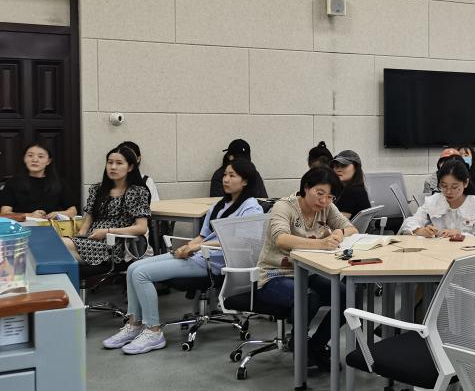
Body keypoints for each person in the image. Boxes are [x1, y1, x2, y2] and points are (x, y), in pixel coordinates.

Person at [100, 160, 265, 355]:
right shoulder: (220, 205)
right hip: (199, 256)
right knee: (133, 268)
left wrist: (195, 247)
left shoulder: (251, 207)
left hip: (215, 264)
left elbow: (242, 243)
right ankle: (134, 324)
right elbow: (203, 236)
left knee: (141, 274)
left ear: (245, 181)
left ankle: (153, 332)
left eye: (232, 175)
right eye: (225, 175)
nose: (225, 179)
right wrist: (187, 247)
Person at [256, 167, 357, 368]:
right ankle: (300, 345)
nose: (324, 201)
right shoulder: (284, 207)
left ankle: (315, 346)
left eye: (330, 197)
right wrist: (320, 243)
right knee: (310, 297)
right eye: (319, 193)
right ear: (306, 187)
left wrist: (339, 233)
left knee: (348, 295)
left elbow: (352, 228)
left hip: (308, 272)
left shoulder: (327, 207)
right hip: (275, 275)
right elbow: (281, 239)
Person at [63, 145, 150, 265]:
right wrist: (80, 236)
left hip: (113, 245)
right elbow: (87, 221)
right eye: (110, 162)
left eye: (119, 163)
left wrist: (107, 232)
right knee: (56, 247)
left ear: (130, 167)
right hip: (91, 240)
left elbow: (141, 228)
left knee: (59, 246)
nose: (113, 167)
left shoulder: (137, 192)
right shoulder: (98, 189)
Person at [400, 160, 475, 240]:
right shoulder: (433, 201)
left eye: (454, 187)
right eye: (444, 186)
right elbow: (410, 222)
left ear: (466, 183)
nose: (448, 191)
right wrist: (420, 230)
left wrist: (461, 234)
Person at [0, 142, 77, 218]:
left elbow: (73, 211)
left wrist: (58, 214)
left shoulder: (59, 183)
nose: (35, 160)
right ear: (24, 158)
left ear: (48, 161)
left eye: (40, 156)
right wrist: (29, 215)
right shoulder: (12, 183)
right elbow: (4, 213)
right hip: (21, 225)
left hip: (51, 224)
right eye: (30, 155)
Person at [331, 150, 371, 219]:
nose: (338, 169)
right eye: (336, 166)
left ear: (356, 168)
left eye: (344, 165)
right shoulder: (358, 187)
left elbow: (338, 222)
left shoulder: (352, 191)